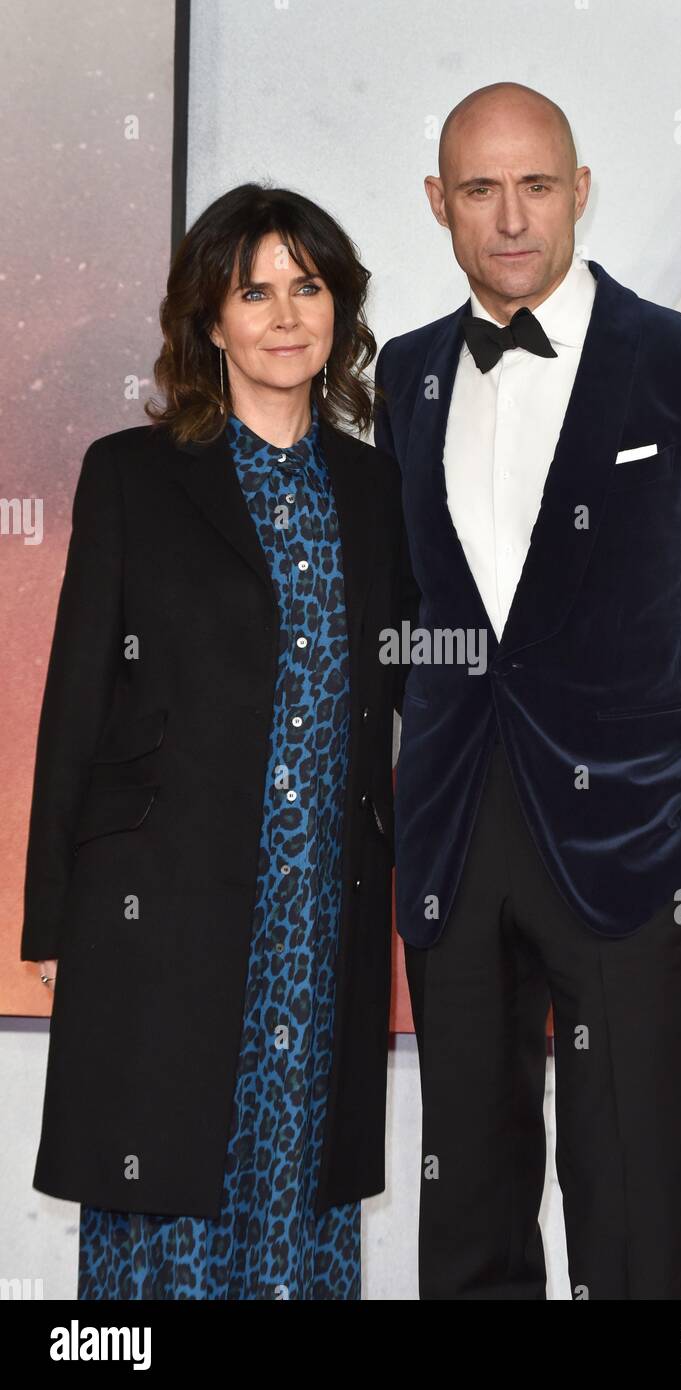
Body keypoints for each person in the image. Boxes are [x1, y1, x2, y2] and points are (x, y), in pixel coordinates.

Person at [374, 82, 681, 1299]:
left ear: (580, 192)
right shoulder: (405, 379)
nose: (510, 217)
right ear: (438, 205)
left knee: (627, 1218)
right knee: (465, 1206)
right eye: (479, 188)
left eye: (535, 185)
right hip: (456, 843)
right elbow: (412, 623)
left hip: (635, 849)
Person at [20, 182, 412, 1299]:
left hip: (321, 908)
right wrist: (55, 912)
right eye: (255, 291)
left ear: (337, 308)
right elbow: (76, 701)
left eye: (309, 285)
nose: (286, 314)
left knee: (298, 1185)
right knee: (165, 1187)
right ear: (209, 319)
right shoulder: (134, 474)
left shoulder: (373, 487)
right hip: (161, 901)